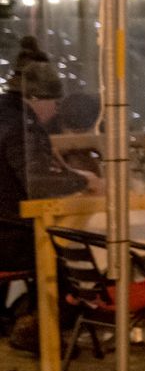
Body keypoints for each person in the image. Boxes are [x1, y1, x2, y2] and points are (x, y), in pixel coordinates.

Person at [0, 40, 97, 329]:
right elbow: (37, 182)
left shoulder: (6, 116)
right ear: (37, 98)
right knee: (66, 247)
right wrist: (83, 180)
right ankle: (52, 326)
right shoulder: (21, 127)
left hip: (5, 229)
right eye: (55, 103)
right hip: (11, 238)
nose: (55, 112)